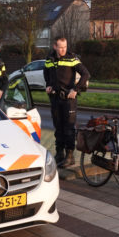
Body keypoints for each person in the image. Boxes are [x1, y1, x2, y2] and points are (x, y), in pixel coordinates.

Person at [44, 36, 90, 167]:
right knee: (58, 127)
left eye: (65, 47)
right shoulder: (50, 59)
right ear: (55, 47)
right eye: (61, 47)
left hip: (68, 100)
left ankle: (70, 156)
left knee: (68, 128)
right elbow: (46, 72)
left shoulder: (72, 58)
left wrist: (75, 89)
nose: (63, 50)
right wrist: (48, 84)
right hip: (55, 98)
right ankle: (60, 154)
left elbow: (86, 74)